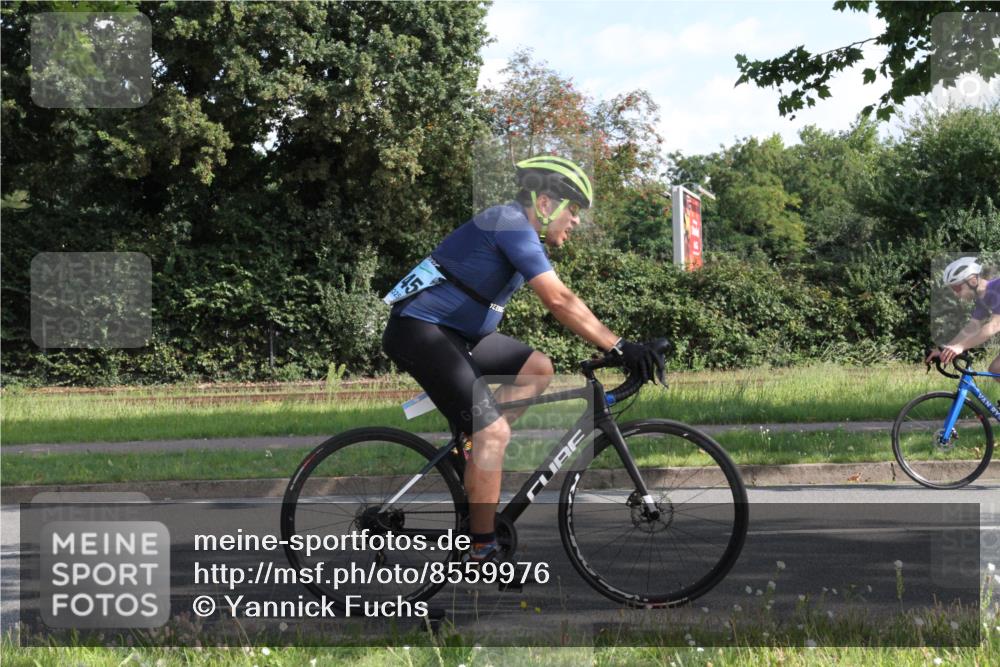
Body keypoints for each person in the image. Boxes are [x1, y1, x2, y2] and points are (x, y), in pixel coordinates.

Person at [382, 155, 663, 561]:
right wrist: (618, 347)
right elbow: (559, 299)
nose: (577, 221)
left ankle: (474, 450)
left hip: (458, 335)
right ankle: (481, 550)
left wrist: (615, 345)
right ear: (546, 204)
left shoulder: (518, 229)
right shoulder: (509, 223)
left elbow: (561, 299)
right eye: (574, 211)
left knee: (537, 368)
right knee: (493, 433)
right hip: (421, 330)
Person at [925, 256, 1000, 381]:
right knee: (996, 369)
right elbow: (972, 327)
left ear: (972, 281)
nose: (955, 294)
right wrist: (945, 349)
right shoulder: (983, 299)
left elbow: (994, 325)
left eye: (957, 288)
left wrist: (960, 347)